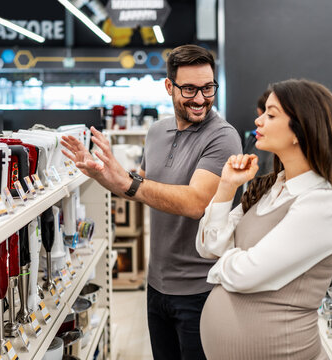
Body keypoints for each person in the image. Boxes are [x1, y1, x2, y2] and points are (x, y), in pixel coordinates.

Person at [61, 44, 242, 360]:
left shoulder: (222, 137)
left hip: (201, 291)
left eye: (208, 88)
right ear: (169, 87)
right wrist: (103, 173)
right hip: (157, 286)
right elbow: (142, 187)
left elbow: (195, 202)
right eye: (189, 89)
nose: (201, 99)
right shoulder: (157, 132)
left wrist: (128, 181)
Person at [195, 79, 332, 360]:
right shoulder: (271, 188)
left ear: (300, 130)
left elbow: (247, 273)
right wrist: (226, 186)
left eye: (271, 115)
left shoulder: (324, 204)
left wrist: (223, 265)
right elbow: (209, 246)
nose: (258, 120)